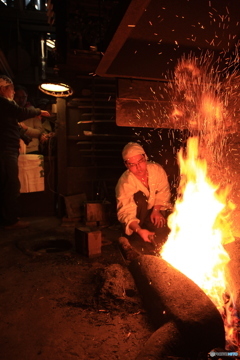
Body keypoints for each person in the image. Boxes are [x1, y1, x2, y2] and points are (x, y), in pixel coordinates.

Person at [0, 75, 50, 229]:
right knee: (11, 185)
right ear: (4, 88)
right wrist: (38, 111)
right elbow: (20, 113)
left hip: (8, 149)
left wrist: (26, 137)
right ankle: (10, 221)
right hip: (5, 150)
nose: (14, 93)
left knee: (8, 184)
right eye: (12, 89)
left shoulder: (6, 106)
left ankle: (7, 219)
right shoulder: (3, 102)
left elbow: (15, 126)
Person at [116, 142, 172, 253]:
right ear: (126, 165)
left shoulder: (156, 170)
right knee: (140, 198)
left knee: (162, 232)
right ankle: (138, 233)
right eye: (132, 164)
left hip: (153, 210)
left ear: (145, 157)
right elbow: (125, 211)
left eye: (140, 161)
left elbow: (164, 191)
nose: (138, 167)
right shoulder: (124, 183)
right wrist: (139, 230)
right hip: (137, 215)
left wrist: (156, 211)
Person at [14, 85, 45, 154]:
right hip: (14, 149)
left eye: (23, 97)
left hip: (31, 149)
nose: (21, 100)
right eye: (18, 97)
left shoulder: (33, 112)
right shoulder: (10, 111)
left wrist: (26, 129)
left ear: (27, 96)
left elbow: (39, 132)